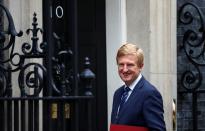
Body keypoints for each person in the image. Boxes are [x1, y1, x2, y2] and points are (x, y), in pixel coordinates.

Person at [111, 43, 166, 130]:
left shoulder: (150, 93)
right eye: (121, 64)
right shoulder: (118, 93)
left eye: (129, 65)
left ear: (141, 66)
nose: (124, 69)